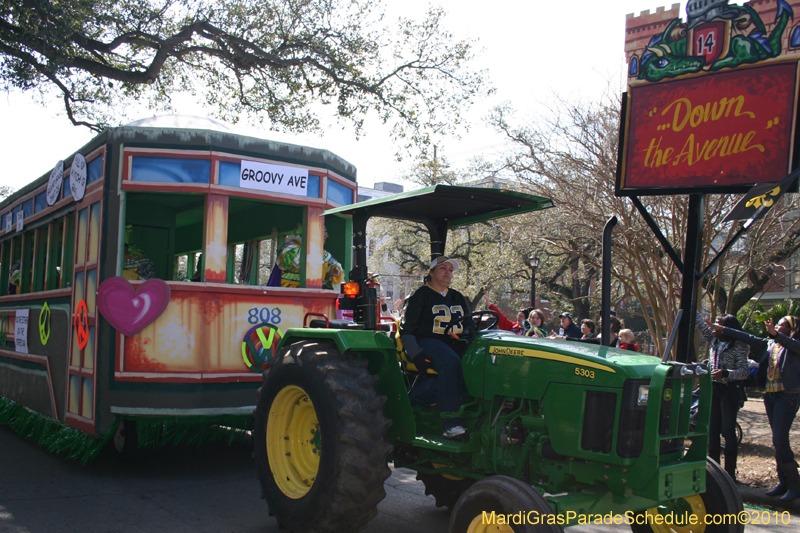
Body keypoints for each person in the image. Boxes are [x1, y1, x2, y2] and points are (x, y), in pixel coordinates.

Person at [709, 315, 800, 501]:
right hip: (771, 395)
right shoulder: (771, 344)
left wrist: (776, 334)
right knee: (777, 442)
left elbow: (791, 344)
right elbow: (747, 337)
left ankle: (795, 485)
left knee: (780, 440)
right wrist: (723, 329)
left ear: (792, 329)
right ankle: (783, 483)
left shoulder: (794, 345)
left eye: (782, 324)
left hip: (788, 396)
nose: (776, 325)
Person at [401, 257, 475, 438]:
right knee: (450, 362)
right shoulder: (420, 296)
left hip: (455, 342)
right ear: (431, 272)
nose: (448, 272)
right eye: (443, 268)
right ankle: (451, 423)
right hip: (428, 340)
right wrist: (416, 353)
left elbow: (469, 324)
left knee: (478, 360)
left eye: (450, 269)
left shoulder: (457, 296)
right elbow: (407, 330)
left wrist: (469, 337)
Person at [696, 311, 749, 481]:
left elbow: (743, 371)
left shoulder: (739, 345)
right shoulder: (714, 339)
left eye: (717, 324)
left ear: (727, 328)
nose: (712, 327)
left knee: (728, 430)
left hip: (729, 391)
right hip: (714, 389)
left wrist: (725, 374)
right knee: (712, 429)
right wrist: (685, 298)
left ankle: (730, 474)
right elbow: (699, 323)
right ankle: (714, 472)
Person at [275, 226, 343, 289]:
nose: (327, 236)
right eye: (324, 233)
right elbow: (285, 261)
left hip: (312, 294)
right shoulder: (293, 247)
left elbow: (331, 264)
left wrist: (335, 269)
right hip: (288, 291)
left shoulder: (323, 253)